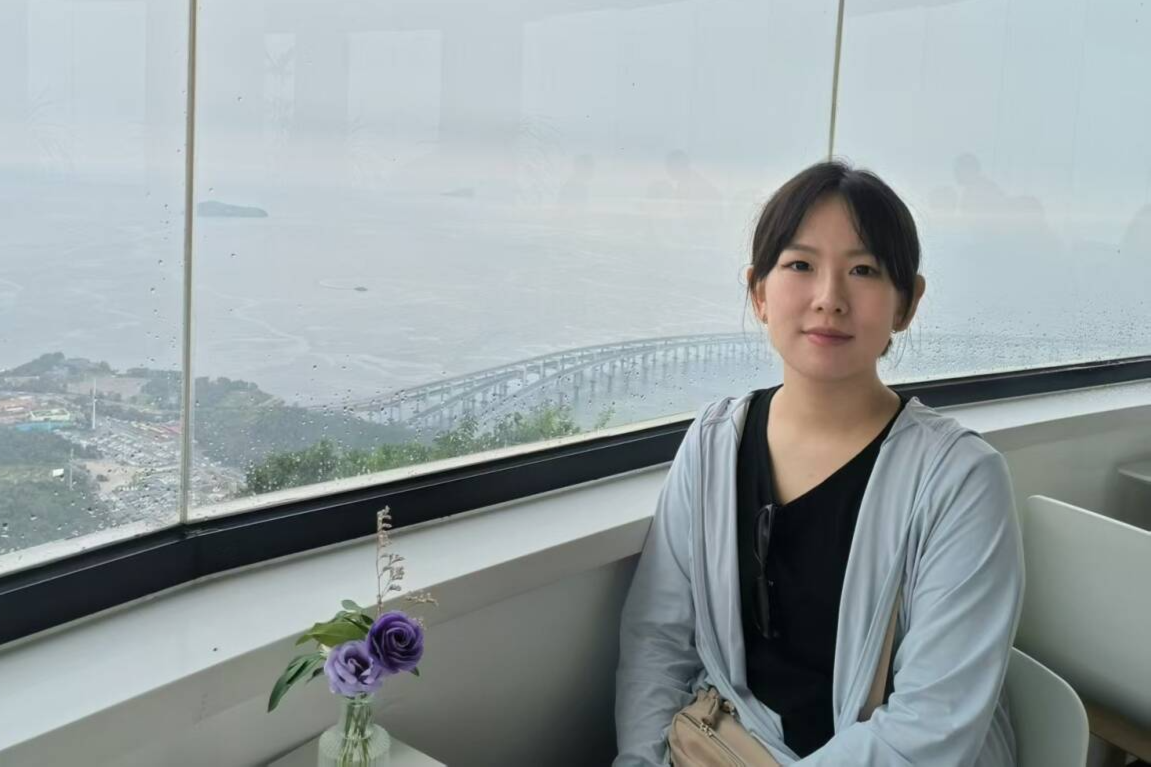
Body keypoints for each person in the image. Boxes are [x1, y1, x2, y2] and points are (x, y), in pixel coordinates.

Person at [614, 160, 1025, 766]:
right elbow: (659, 641)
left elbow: (929, 730)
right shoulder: (713, 444)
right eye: (800, 265)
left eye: (864, 270)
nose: (829, 299)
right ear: (759, 293)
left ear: (907, 304)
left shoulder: (960, 481)